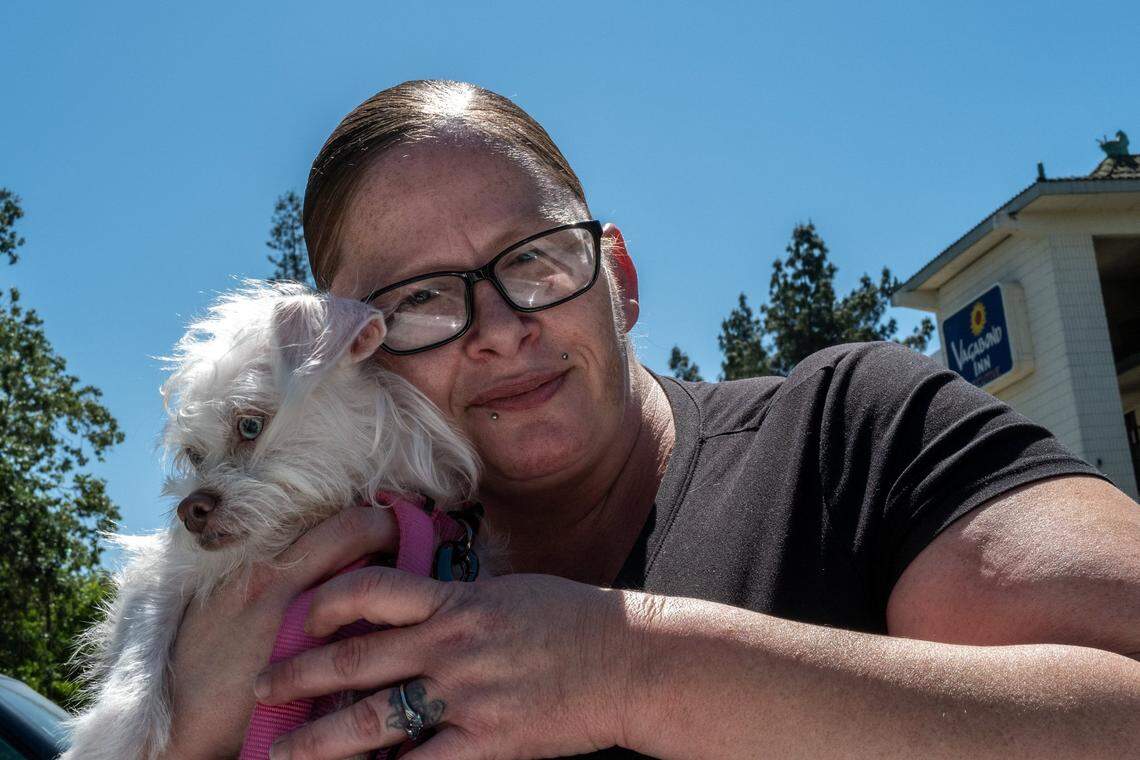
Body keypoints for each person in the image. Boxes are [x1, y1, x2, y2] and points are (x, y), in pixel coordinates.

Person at [159, 80, 1140, 760]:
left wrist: (629, 665)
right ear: (347, 355)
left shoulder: (851, 438)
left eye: (535, 259)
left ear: (618, 278)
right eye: (419, 299)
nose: (500, 329)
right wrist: (180, 729)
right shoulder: (302, 594)